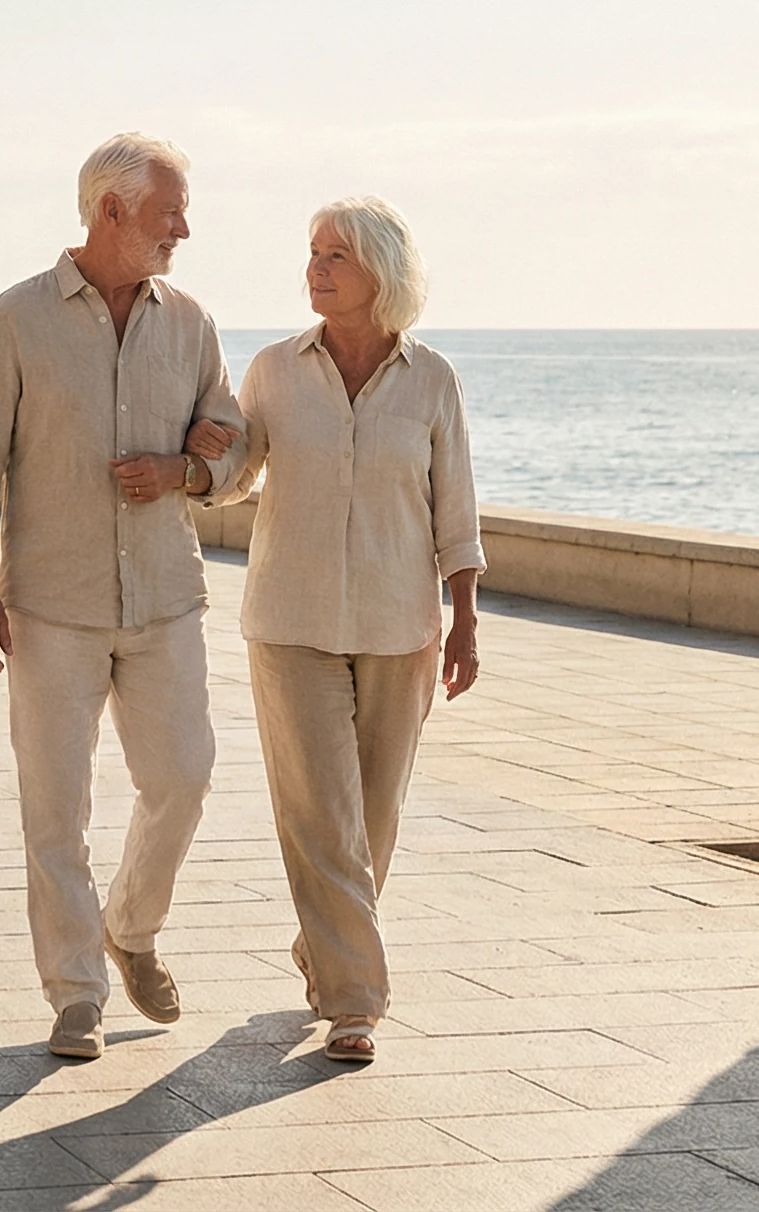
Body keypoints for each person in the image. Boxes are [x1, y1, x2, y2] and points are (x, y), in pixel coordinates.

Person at [0, 133, 251, 1062]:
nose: (183, 231)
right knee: (56, 806)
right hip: (50, 603)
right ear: (110, 211)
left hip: (164, 598)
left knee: (185, 777)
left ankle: (131, 925)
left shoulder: (191, 322)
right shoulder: (16, 318)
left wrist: (188, 471)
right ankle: (76, 992)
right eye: (169, 215)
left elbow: (234, 452)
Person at [197, 196, 482, 1064]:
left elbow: (455, 506)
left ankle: (325, 951)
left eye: (336, 257)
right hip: (290, 620)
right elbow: (237, 474)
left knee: (373, 817)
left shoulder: (432, 379)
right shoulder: (276, 371)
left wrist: (465, 619)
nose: (315, 269)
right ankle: (356, 1001)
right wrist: (199, 459)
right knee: (322, 815)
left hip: (402, 625)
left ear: (380, 274)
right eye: (313, 253)